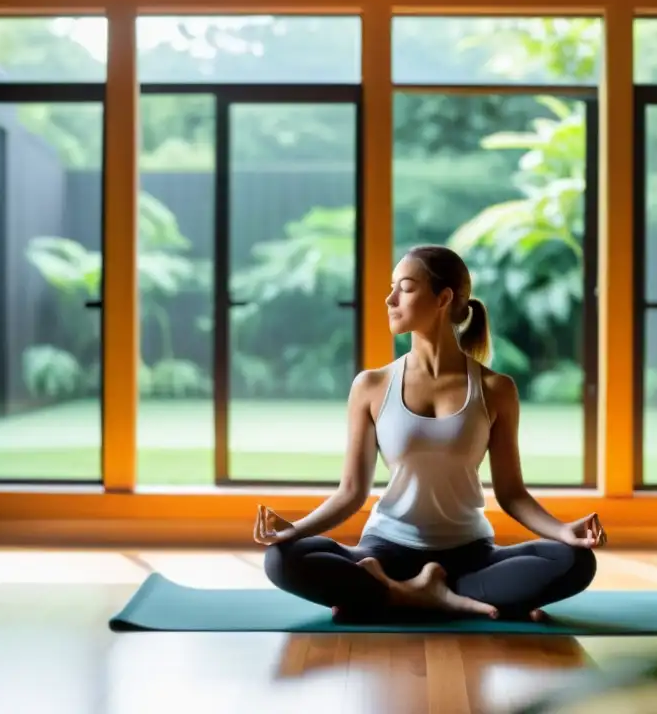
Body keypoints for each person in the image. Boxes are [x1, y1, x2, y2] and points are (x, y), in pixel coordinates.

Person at [254, 244, 605, 623]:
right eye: (392, 287)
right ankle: (438, 597)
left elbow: (512, 494)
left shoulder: (494, 389)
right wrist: (293, 531)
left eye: (404, 287)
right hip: (385, 552)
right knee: (282, 559)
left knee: (574, 560)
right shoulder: (371, 386)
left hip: (469, 556)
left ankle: (392, 596)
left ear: (443, 298)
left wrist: (564, 531)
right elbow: (351, 492)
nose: (390, 299)